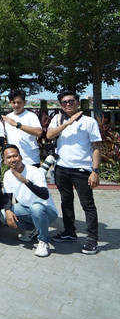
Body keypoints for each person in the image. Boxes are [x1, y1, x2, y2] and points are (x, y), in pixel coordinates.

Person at [47, 90, 102, 254]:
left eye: (71, 101)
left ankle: (92, 239)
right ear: (61, 105)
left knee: (87, 205)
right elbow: (49, 135)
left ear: (77, 102)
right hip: (62, 168)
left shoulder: (89, 121)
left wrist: (95, 171)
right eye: (64, 102)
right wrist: (67, 123)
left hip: (82, 169)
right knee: (66, 201)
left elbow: (96, 147)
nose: (68, 104)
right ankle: (70, 232)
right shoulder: (57, 119)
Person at [1, 144, 58, 257]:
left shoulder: (34, 171)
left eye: (15, 156)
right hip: (26, 209)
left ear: (21, 157)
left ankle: (43, 241)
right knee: (3, 214)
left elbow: (44, 195)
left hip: (46, 211)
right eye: (9, 157)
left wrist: (25, 180)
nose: (13, 159)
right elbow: (7, 197)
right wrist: (7, 210)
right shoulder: (7, 175)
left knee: (35, 207)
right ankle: (34, 229)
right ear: (5, 161)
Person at [2, 89, 43, 167]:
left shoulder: (31, 116)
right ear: (10, 103)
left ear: (25, 102)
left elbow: (39, 132)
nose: (16, 105)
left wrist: (17, 125)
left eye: (19, 102)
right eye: (13, 102)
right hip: (13, 160)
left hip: (30, 159)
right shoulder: (8, 117)